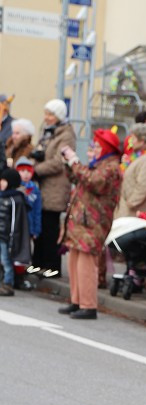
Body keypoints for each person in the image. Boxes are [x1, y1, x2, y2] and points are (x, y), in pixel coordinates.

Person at [57, 129, 122, 320]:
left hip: (93, 223)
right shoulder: (99, 165)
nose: (91, 150)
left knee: (86, 264)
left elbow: (94, 182)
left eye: (96, 147)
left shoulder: (110, 168)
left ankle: (88, 305)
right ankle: (76, 300)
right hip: (81, 221)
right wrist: (68, 164)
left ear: (105, 149)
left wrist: (74, 161)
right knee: (74, 261)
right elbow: (78, 178)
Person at [29, 99, 76, 276]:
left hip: (55, 186)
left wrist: (36, 170)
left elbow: (58, 162)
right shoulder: (48, 132)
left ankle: (52, 266)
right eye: (46, 114)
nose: (46, 118)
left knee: (50, 228)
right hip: (42, 186)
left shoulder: (66, 135)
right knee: (39, 228)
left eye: (50, 114)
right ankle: (37, 264)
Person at [115, 123, 146, 219]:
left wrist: (129, 204)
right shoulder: (137, 157)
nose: (131, 141)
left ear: (142, 141)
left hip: (133, 212)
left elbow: (143, 187)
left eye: (134, 138)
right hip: (126, 210)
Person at [0, 167, 30, 296]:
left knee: (6, 261)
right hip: (0, 235)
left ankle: (8, 284)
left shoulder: (15, 200)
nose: (1, 183)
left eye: (4, 181)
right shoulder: (2, 197)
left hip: (6, 236)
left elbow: (14, 222)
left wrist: (12, 238)